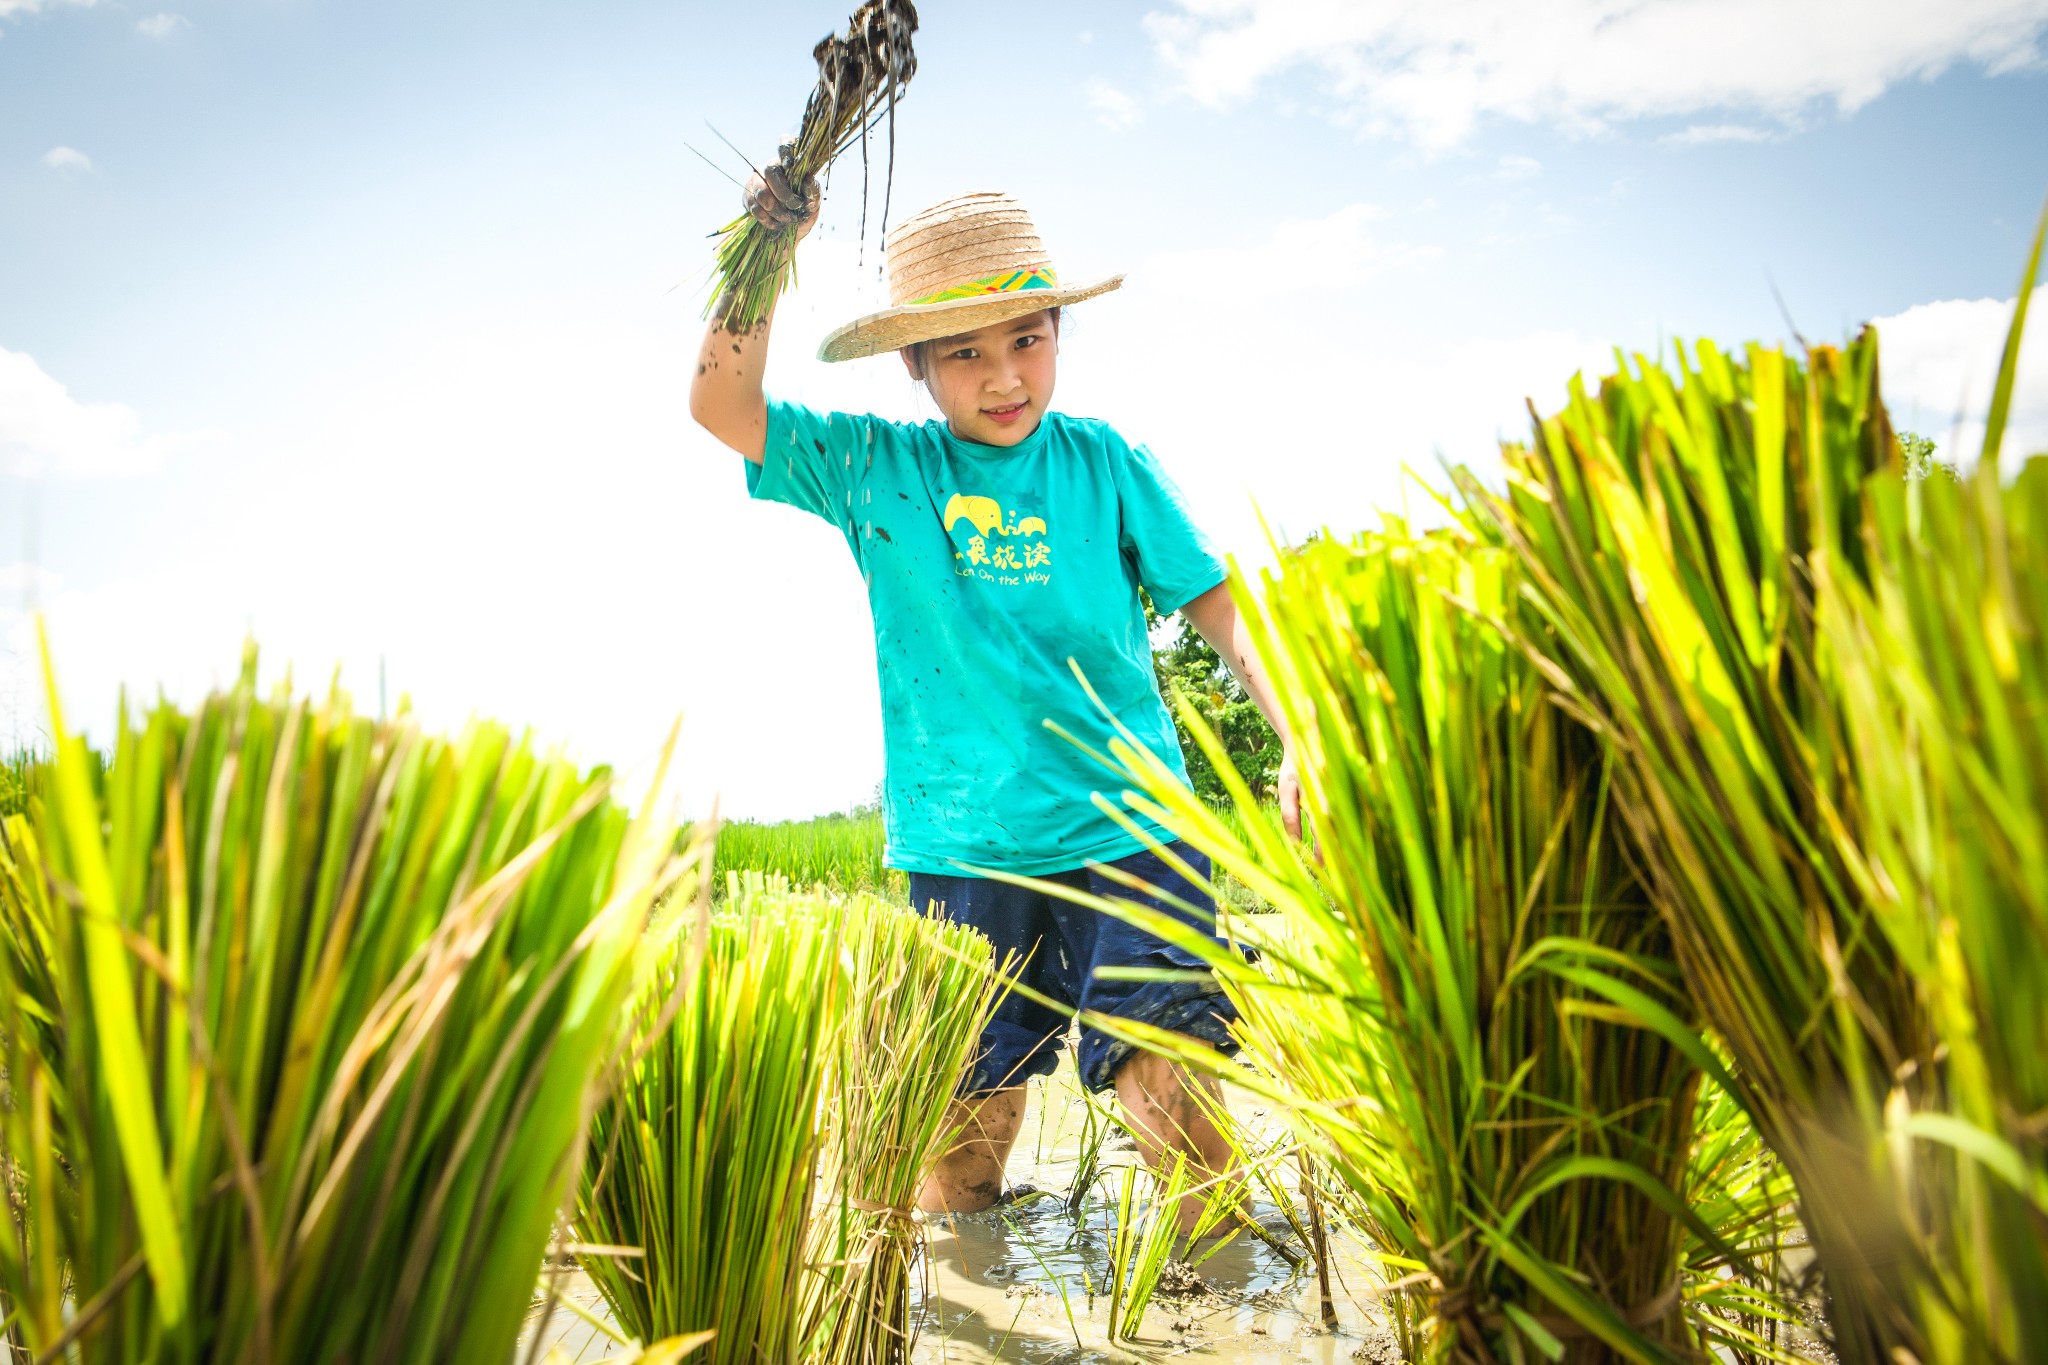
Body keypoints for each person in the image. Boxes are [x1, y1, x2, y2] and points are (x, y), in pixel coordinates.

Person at [689, 171, 1301, 1232]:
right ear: (916, 364)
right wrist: (763, 254)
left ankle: (1234, 1303)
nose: (1003, 375)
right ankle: (975, 1301)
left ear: (1058, 332)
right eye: (964, 351)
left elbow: (1223, 611)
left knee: (1170, 1093)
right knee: (964, 1136)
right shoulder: (876, 467)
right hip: (962, 846)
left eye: (1026, 338)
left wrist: (1303, 734)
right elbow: (720, 407)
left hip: (1134, 826)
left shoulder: (1103, 462)